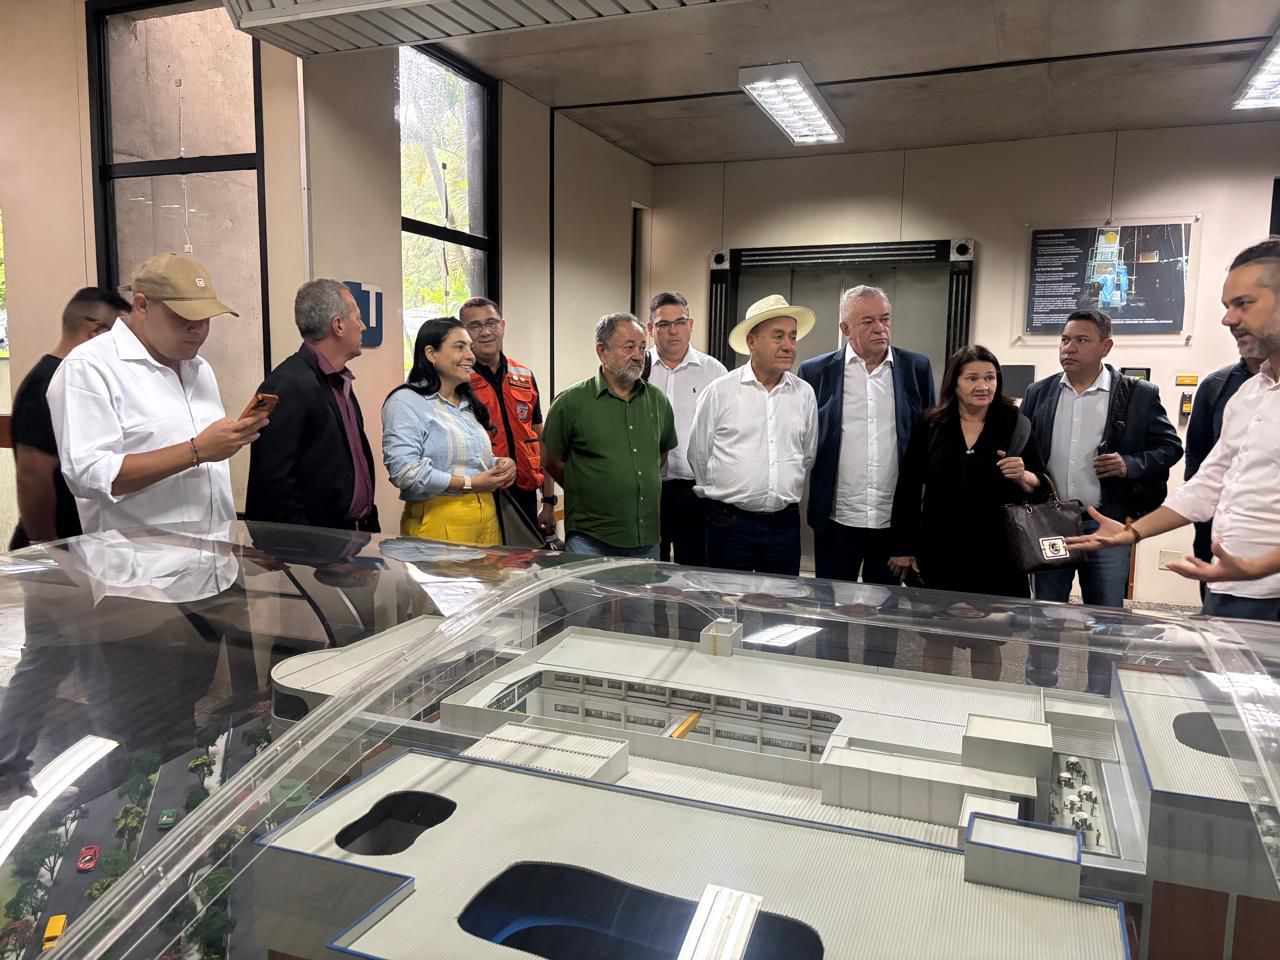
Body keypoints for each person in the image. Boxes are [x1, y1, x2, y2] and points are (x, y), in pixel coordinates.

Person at [1069, 239, 1280, 621]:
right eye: (1226, 306)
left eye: (1243, 303)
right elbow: (1207, 485)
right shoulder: (1249, 394)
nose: (1228, 319)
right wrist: (1132, 532)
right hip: (1229, 586)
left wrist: (1259, 567)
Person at [47, 253, 267, 536]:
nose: (198, 329)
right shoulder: (90, 367)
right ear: (142, 305)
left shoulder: (199, 368)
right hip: (141, 560)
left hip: (214, 553)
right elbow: (89, 475)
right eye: (185, 317)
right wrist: (196, 451)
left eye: (206, 318)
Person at [1020, 309, 1182, 692]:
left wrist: (1130, 464)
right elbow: (1024, 450)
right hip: (1051, 522)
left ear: (1105, 347)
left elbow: (1170, 447)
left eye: (1081, 340)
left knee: (1106, 619)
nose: (1069, 348)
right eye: (1065, 339)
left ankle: (1101, 696)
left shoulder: (1138, 395)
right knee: (1045, 616)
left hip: (1106, 524)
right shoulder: (1039, 393)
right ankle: (1038, 691)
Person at [889, 345, 1049, 680]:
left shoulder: (1015, 423)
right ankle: (939, 701)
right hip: (939, 550)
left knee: (986, 641)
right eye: (972, 378)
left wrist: (1025, 476)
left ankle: (983, 703)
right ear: (955, 382)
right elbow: (908, 487)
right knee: (937, 637)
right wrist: (904, 546)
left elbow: (1042, 486)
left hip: (995, 553)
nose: (983, 386)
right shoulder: (930, 425)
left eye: (990, 378)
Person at [798, 285, 935, 667]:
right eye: (868, 321)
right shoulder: (816, 371)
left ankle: (878, 684)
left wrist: (915, 528)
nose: (880, 328)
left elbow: (928, 443)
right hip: (837, 519)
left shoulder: (916, 368)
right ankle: (831, 680)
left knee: (884, 620)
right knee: (831, 618)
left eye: (885, 319)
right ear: (845, 328)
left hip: (892, 522)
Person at [688, 295, 817, 576]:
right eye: (778, 336)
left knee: (781, 601)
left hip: (784, 526)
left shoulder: (804, 394)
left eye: (793, 337)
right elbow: (699, 454)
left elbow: (807, 455)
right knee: (727, 599)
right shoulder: (720, 392)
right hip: (730, 525)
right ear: (751, 341)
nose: (789, 345)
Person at [246, 279, 379, 532]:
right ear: (338, 325)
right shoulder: (287, 385)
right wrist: (309, 544)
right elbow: (274, 484)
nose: (362, 326)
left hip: (350, 537)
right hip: (315, 546)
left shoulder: (338, 380)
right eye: (358, 318)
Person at [542, 312, 676, 559]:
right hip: (590, 537)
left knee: (643, 588)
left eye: (642, 347)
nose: (638, 355)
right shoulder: (571, 402)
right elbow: (551, 460)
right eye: (629, 347)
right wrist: (589, 486)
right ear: (602, 351)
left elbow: (660, 455)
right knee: (587, 587)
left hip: (645, 538)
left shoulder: (658, 401)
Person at [9, 288, 127, 549]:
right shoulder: (48, 382)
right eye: (124, 335)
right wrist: (45, 546)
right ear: (98, 331)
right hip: (57, 541)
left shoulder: (87, 381)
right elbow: (32, 474)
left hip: (85, 539)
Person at [382, 317, 516, 545]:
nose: (471, 356)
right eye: (459, 347)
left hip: (487, 516)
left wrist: (500, 464)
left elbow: (464, 459)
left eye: (470, 348)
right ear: (431, 353)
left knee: (492, 571)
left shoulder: (466, 402)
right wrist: (469, 483)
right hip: (439, 517)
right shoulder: (406, 401)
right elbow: (405, 472)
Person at [461, 297, 558, 535]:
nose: (485, 332)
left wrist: (548, 501)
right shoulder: (458, 379)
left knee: (524, 557)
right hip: (479, 495)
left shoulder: (524, 375)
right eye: (475, 326)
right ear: (463, 332)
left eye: (491, 323)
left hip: (524, 494)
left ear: (502, 326)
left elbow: (541, 440)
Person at [646, 291, 727, 566]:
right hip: (648, 491)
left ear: (690, 325)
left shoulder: (714, 372)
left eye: (680, 322)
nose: (673, 331)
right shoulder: (638, 369)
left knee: (693, 571)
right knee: (649, 571)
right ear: (650, 329)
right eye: (663, 324)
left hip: (695, 492)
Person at [1184, 353, 1260, 597]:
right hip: (1217, 520)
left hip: (1267, 523)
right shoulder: (1217, 384)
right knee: (1214, 596)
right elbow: (1198, 454)